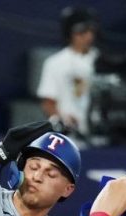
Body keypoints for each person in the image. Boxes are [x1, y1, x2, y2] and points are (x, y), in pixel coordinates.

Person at [37, 6, 99, 138]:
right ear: (70, 33)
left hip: (101, 135)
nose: (88, 36)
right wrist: (63, 121)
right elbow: (48, 103)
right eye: (82, 31)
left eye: (90, 30)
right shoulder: (55, 62)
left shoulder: (101, 60)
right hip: (68, 137)